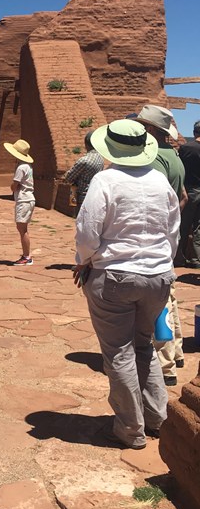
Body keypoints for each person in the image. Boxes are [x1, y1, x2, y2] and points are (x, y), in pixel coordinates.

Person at [74, 119, 179, 450]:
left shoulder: (105, 180)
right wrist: (161, 264)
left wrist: (84, 260)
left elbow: (88, 229)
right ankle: (158, 417)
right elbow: (172, 230)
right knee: (144, 344)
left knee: (118, 352)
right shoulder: (160, 181)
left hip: (116, 275)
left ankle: (129, 428)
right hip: (158, 276)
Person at [136, 105, 186, 385]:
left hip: (155, 238)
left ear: (153, 130)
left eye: (144, 126)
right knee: (171, 295)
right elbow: (182, 197)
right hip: (169, 235)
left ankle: (166, 365)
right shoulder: (174, 156)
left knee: (160, 305)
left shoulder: (154, 159)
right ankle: (176, 349)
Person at [3, 139, 35, 265]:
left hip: (24, 199)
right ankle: (26, 254)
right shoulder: (27, 166)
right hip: (27, 198)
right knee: (22, 227)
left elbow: (14, 185)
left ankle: (27, 256)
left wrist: (12, 186)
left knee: (22, 229)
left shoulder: (21, 167)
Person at [177, 120, 200, 268]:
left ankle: (179, 258)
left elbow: (181, 170)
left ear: (194, 132)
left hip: (190, 190)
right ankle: (197, 260)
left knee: (183, 225)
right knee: (199, 227)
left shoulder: (186, 148)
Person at [63, 131, 104, 216]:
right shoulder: (101, 158)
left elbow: (69, 178)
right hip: (95, 194)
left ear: (86, 144)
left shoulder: (84, 160)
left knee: (80, 222)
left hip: (82, 196)